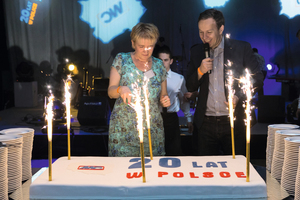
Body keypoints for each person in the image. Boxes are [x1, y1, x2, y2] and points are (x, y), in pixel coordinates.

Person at [186, 9, 264, 156]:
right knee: (206, 170)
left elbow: (257, 78)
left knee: (237, 169)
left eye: (209, 32)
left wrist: (238, 95)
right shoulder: (196, 51)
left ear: (221, 28)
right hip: (205, 123)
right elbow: (190, 86)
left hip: (234, 120)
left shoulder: (241, 48)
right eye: (201, 32)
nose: (204, 37)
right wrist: (200, 71)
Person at [107, 22, 171, 157]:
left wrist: (164, 100)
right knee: (123, 171)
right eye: (141, 46)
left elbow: (163, 96)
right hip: (123, 130)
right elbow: (111, 92)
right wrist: (120, 89)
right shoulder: (122, 60)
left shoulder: (159, 65)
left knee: (153, 170)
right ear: (133, 43)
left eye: (150, 46)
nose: (146, 50)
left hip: (152, 128)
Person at [157, 46, 193, 156]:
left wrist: (188, 118)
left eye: (166, 60)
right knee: (156, 150)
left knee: (174, 151)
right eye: (160, 60)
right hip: (155, 117)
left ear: (171, 61)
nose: (163, 63)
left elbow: (184, 99)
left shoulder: (179, 79)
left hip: (171, 118)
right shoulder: (150, 78)